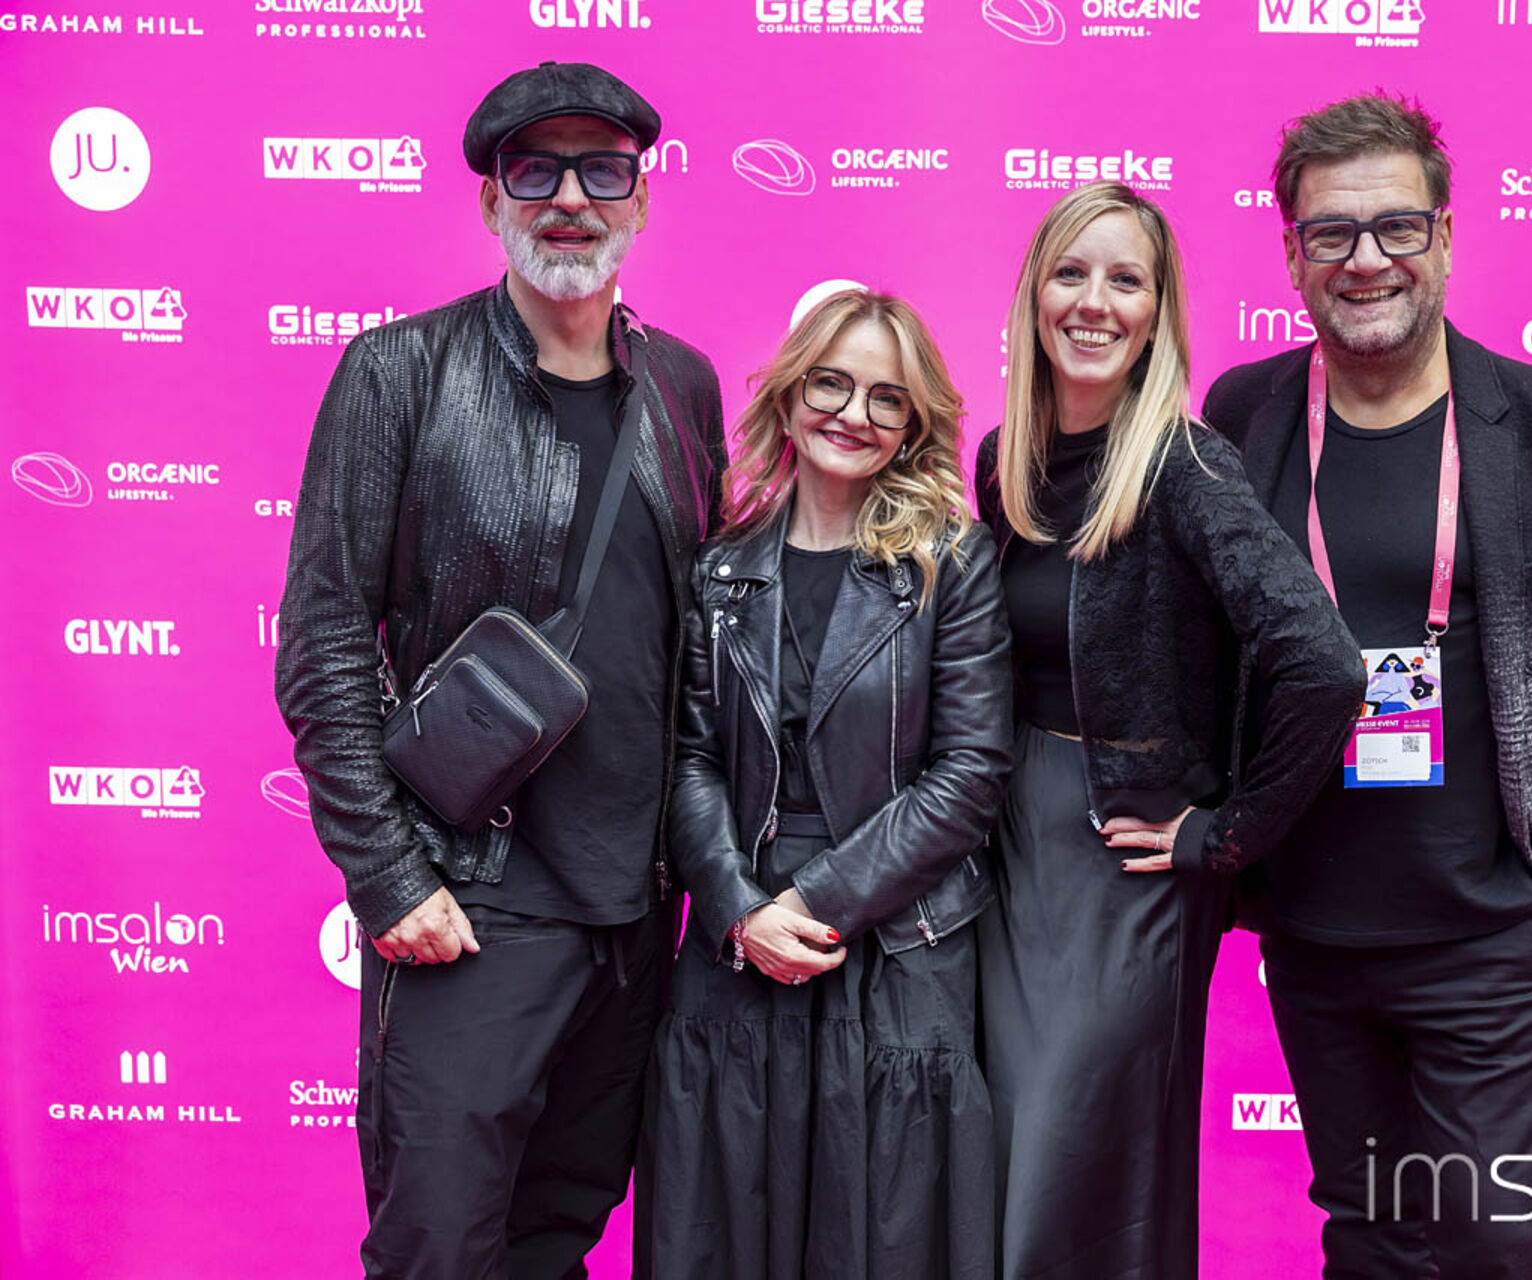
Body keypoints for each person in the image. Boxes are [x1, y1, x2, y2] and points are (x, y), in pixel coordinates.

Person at [1204, 94, 1532, 1277]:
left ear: (1447, 237)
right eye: (1332, 232)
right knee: (1369, 1237)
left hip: (1497, 933)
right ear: (1293, 254)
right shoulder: (1243, 415)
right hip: (1316, 934)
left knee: (1487, 1242)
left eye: (1397, 227)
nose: (1365, 259)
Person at [273, 61, 727, 1278]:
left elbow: (694, 639)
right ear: (491, 200)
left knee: (557, 1235)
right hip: (469, 903)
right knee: (440, 1245)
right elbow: (323, 638)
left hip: (635, 913)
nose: (570, 199)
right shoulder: (399, 372)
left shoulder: (681, 386)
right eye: (536, 171)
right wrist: (389, 875)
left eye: (602, 170)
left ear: (641, 197)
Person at [973, 182, 1362, 1279]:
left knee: (1070, 1170)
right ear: (1034, 295)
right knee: (994, 1157)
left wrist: (1227, 833)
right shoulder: (1004, 461)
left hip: (1123, 860)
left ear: (1157, 315)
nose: (1093, 302)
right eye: (1071, 273)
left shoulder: (1186, 468)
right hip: (1003, 848)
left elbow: (1324, 664)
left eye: (1126, 280)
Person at [651, 289, 1012, 1280]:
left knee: (886, 1236)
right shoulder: (721, 569)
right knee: (727, 1231)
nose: (854, 413)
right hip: (738, 949)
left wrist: (814, 903)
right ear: (790, 392)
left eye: (886, 397)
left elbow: (971, 772)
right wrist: (740, 911)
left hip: (896, 943)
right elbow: (689, 758)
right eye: (831, 384)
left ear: (914, 423)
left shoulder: (951, 562)